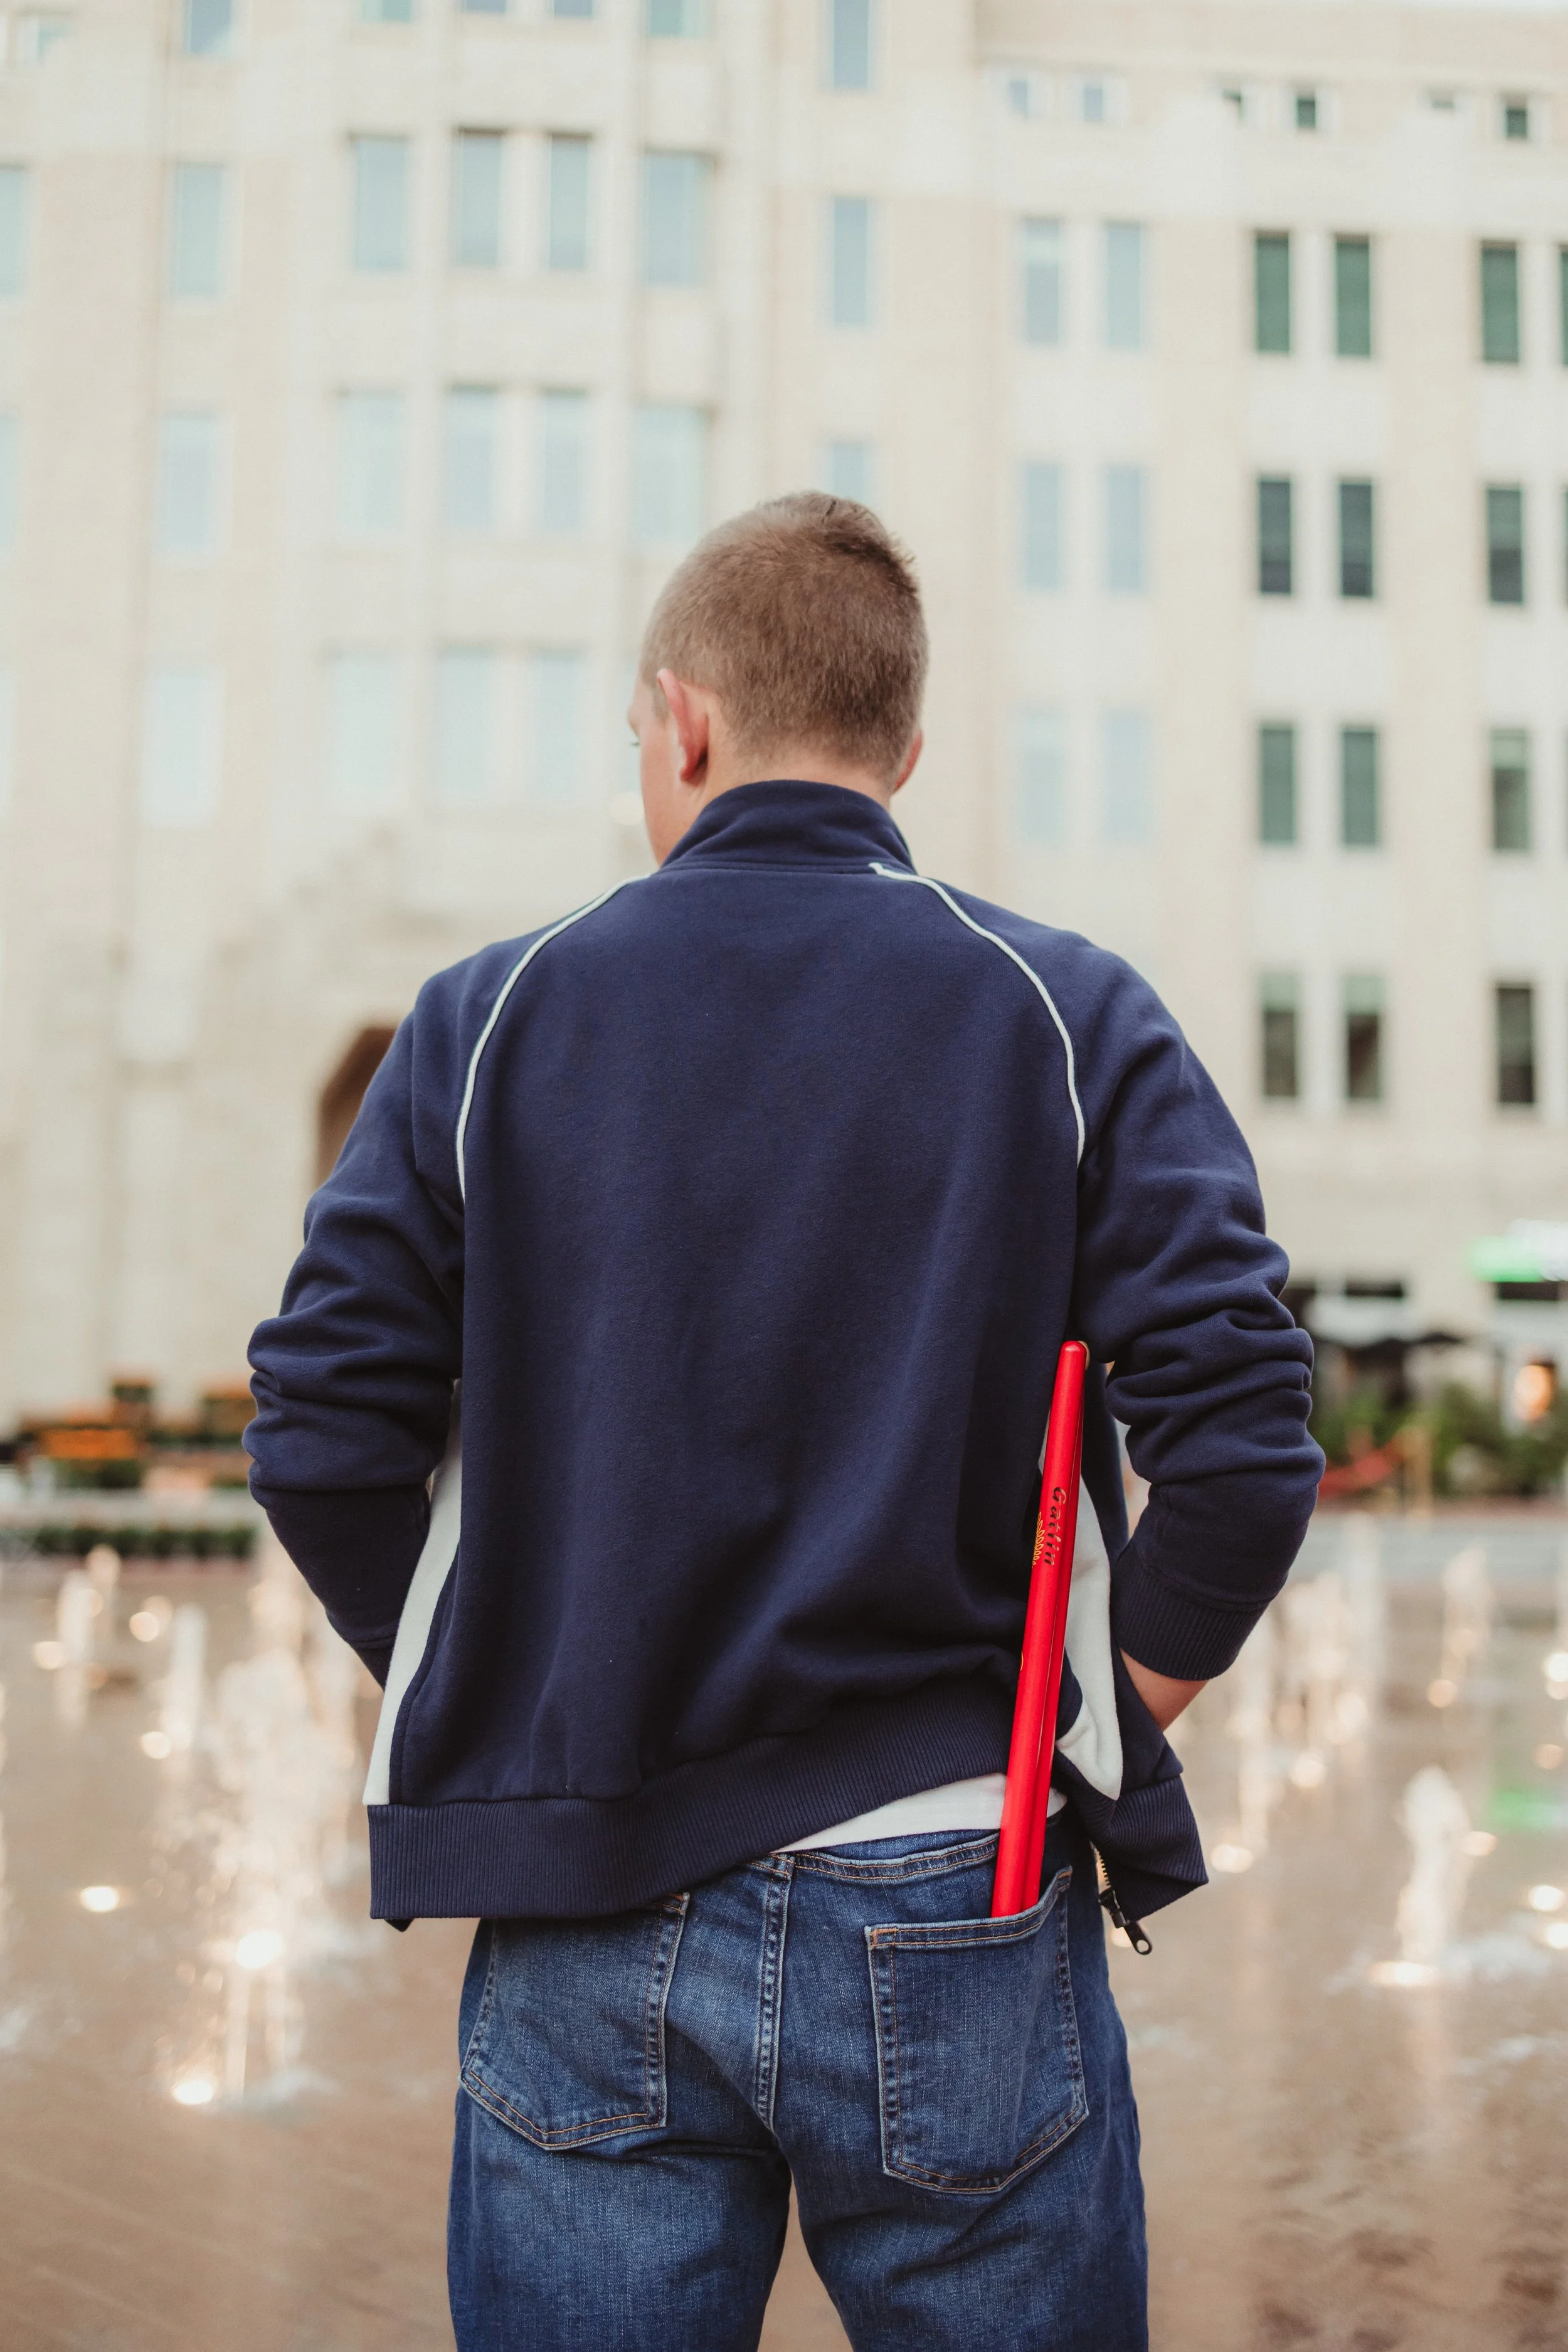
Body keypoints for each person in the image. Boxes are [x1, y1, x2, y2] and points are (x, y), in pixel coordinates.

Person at [246, 493, 1322, 2351]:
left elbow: (322, 1423)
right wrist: (1097, 1709)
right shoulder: (1063, 1008)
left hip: (586, 1882)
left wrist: (487, 1667)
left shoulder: (486, 1013)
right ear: (903, 754)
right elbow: (1239, 1424)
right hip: (958, 1875)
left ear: (677, 721)